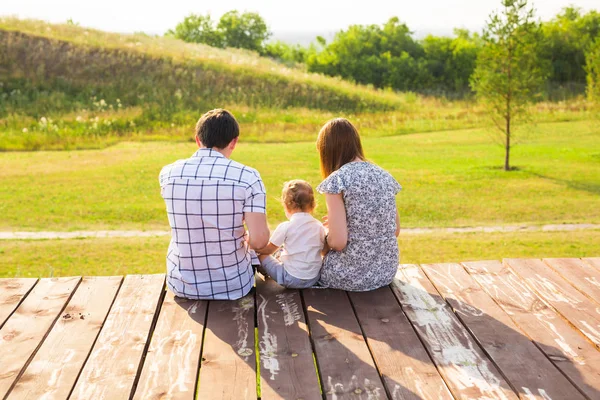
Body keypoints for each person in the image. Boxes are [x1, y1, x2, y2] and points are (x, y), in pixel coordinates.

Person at [159, 109, 269, 300]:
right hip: (233, 284)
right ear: (233, 142)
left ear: (197, 140)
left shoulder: (168, 173)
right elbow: (259, 242)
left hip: (182, 283)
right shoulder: (248, 177)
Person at [316, 118, 401, 291]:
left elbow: (338, 242)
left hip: (349, 276)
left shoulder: (337, 180)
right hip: (385, 272)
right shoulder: (384, 175)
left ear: (327, 151)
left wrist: (327, 233)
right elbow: (395, 229)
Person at [255, 180, 326, 288]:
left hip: (290, 278)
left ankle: (265, 271)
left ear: (286, 206)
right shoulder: (319, 226)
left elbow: (269, 250)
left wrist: (255, 249)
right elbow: (323, 251)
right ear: (313, 205)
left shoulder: (286, 226)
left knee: (263, 256)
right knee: (283, 250)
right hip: (313, 278)